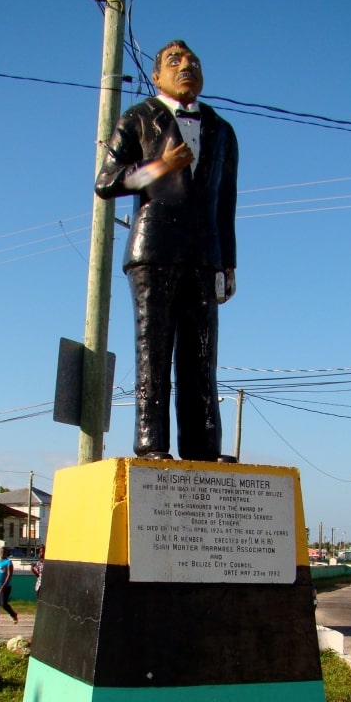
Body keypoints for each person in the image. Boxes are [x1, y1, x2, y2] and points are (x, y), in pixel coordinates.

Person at [95, 39, 238, 462]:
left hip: (204, 255)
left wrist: (227, 264)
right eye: (174, 61)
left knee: (201, 356)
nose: (186, 66)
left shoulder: (222, 130)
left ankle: (203, 447)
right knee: (152, 352)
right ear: (156, 76)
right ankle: (151, 444)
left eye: (193, 60)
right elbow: (106, 183)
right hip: (153, 249)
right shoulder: (139, 118)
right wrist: (161, 167)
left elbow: (225, 203)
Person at [0, 547, 18, 626]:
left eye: (4, 552)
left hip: (5, 587)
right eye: (1, 552)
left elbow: (9, 574)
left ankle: (13, 614)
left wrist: (4, 585)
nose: (2, 553)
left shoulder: (8, 562)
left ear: (6, 553)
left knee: (3, 603)